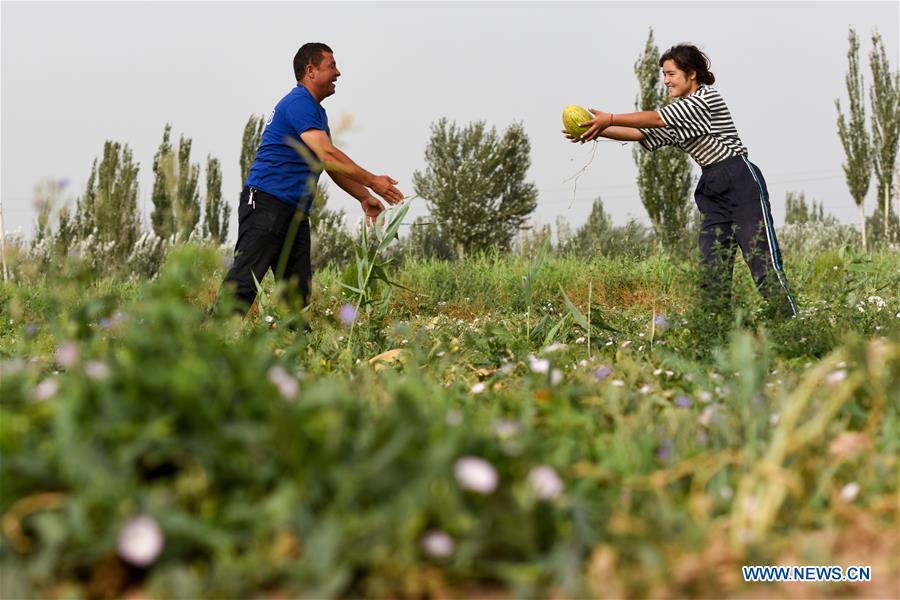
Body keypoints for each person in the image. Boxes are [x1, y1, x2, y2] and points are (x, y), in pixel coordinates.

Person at [564, 44, 797, 319]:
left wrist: (610, 118)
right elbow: (641, 134)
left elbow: (657, 118)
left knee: (761, 261)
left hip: (739, 179)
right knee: (712, 269)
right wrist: (595, 129)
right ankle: (715, 332)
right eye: (664, 74)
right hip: (712, 187)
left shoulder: (705, 100)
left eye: (671, 73)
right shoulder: (683, 113)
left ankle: (793, 322)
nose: (665, 80)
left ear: (692, 73)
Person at [218, 42, 403, 319]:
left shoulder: (316, 113)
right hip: (266, 204)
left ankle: (297, 356)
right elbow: (327, 152)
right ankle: (210, 345)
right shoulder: (298, 103)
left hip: (293, 213)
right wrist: (373, 181)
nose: (338, 73)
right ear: (310, 71)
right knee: (243, 286)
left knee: (297, 298)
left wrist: (364, 196)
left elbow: (327, 163)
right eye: (331, 66)